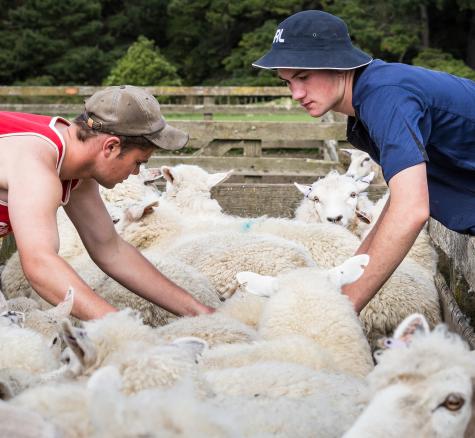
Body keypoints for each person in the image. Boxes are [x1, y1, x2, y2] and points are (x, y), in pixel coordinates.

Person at [252, 10, 475, 313]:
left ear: (339, 65)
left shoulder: (385, 97)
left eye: (303, 77)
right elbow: (400, 201)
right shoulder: (371, 97)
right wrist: (347, 276)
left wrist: (344, 308)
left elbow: (412, 209)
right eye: (287, 82)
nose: (296, 94)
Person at [0, 85, 215, 320]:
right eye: (138, 162)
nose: (136, 173)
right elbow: (40, 265)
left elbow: (110, 250)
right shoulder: (37, 166)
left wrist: (199, 312)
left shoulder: (75, 169)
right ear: (111, 147)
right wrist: (120, 327)